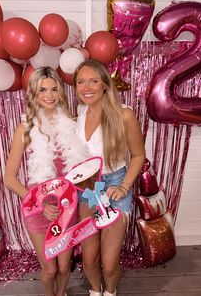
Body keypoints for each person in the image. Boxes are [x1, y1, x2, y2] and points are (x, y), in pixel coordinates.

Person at [4, 66, 89, 296]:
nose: (49, 95)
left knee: (63, 266)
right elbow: (9, 178)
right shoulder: (26, 129)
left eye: (54, 89)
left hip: (66, 207)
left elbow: (83, 167)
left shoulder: (72, 124)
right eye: (42, 90)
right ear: (34, 93)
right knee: (50, 268)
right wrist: (41, 204)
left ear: (60, 92)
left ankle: (61, 294)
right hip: (37, 207)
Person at [73, 59, 146, 296]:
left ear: (105, 84)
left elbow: (138, 156)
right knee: (89, 258)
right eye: (81, 82)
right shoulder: (80, 113)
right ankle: (95, 291)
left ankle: (110, 292)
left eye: (94, 80)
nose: (87, 87)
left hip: (116, 186)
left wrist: (124, 187)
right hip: (87, 190)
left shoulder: (123, 115)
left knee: (109, 261)